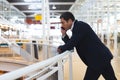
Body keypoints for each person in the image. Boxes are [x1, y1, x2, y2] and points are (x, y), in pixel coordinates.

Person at [57, 12, 117, 80]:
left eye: (63, 22)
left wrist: (60, 48)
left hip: (97, 60)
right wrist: (64, 34)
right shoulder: (77, 27)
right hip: (101, 58)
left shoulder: (79, 26)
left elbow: (72, 43)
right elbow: (71, 43)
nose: (62, 25)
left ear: (70, 21)